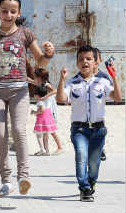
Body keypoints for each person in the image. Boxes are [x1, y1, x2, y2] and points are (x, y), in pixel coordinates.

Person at [0, 0, 55, 197]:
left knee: (19, 130)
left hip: (19, 90)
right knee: (0, 134)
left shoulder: (25, 34)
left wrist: (49, 53)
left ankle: (23, 177)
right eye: (4, 11)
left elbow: (40, 60)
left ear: (18, 12)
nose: (8, 15)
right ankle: (6, 180)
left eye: (13, 11)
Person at [56, 45, 122, 202]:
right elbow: (61, 99)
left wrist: (114, 78)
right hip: (79, 129)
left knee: (94, 163)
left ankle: (91, 181)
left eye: (88, 59)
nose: (84, 62)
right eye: (81, 59)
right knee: (81, 156)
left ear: (95, 62)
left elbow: (118, 97)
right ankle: (84, 188)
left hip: (99, 130)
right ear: (77, 63)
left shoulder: (102, 82)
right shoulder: (72, 83)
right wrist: (61, 80)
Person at [31, 68, 59, 156]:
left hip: (44, 114)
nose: (34, 78)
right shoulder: (41, 84)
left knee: (39, 134)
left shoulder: (45, 85)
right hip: (48, 112)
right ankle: (46, 151)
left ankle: (43, 149)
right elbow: (35, 82)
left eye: (35, 76)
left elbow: (55, 91)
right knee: (46, 134)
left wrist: (44, 97)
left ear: (40, 77)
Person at [94, 47, 112, 161]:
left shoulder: (103, 76)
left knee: (100, 131)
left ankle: (100, 148)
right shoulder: (81, 75)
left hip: (98, 111)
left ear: (99, 60)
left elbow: (110, 91)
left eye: (96, 58)